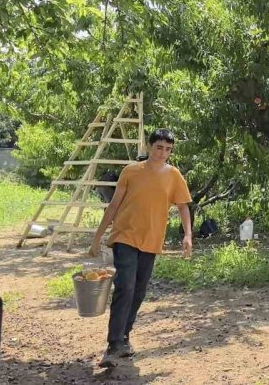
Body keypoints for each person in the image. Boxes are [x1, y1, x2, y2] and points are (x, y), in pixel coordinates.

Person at [89, 129, 193, 368]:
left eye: (168, 149)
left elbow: (183, 206)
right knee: (125, 285)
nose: (163, 153)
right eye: (159, 147)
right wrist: (97, 238)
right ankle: (113, 344)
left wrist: (188, 235)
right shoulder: (131, 171)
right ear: (149, 147)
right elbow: (114, 204)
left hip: (152, 240)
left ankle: (124, 336)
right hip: (125, 236)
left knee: (139, 290)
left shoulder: (173, 175)